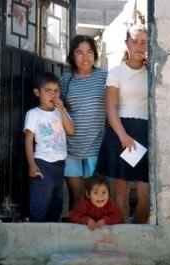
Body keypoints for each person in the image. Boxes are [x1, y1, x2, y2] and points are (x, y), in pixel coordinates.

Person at [96, 24, 149, 224]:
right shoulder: (116, 72)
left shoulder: (152, 71)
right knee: (121, 192)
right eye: (134, 41)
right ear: (127, 43)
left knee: (146, 196)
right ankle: (123, 236)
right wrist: (122, 135)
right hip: (121, 132)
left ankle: (138, 235)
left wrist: (155, 68)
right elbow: (110, 107)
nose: (139, 46)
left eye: (143, 42)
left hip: (145, 131)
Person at [60, 35, 107, 210]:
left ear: (95, 54)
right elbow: (59, 110)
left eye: (89, 52)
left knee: (94, 197)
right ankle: (75, 234)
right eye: (79, 52)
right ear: (72, 56)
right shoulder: (66, 80)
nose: (85, 57)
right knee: (77, 197)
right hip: (70, 147)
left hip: (95, 146)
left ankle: (95, 236)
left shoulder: (104, 77)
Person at [24, 72, 75, 222]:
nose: (53, 94)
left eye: (56, 91)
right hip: (42, 164)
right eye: (48, 90)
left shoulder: (61, 112)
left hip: (60, 165)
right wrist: (31, 164)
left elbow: (71, 131)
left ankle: (52, 231)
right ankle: (36, 232)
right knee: (40, 201)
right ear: (37, 92)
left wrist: (62, 110)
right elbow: (28, 140)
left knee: (56, 203)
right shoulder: (34, 114)